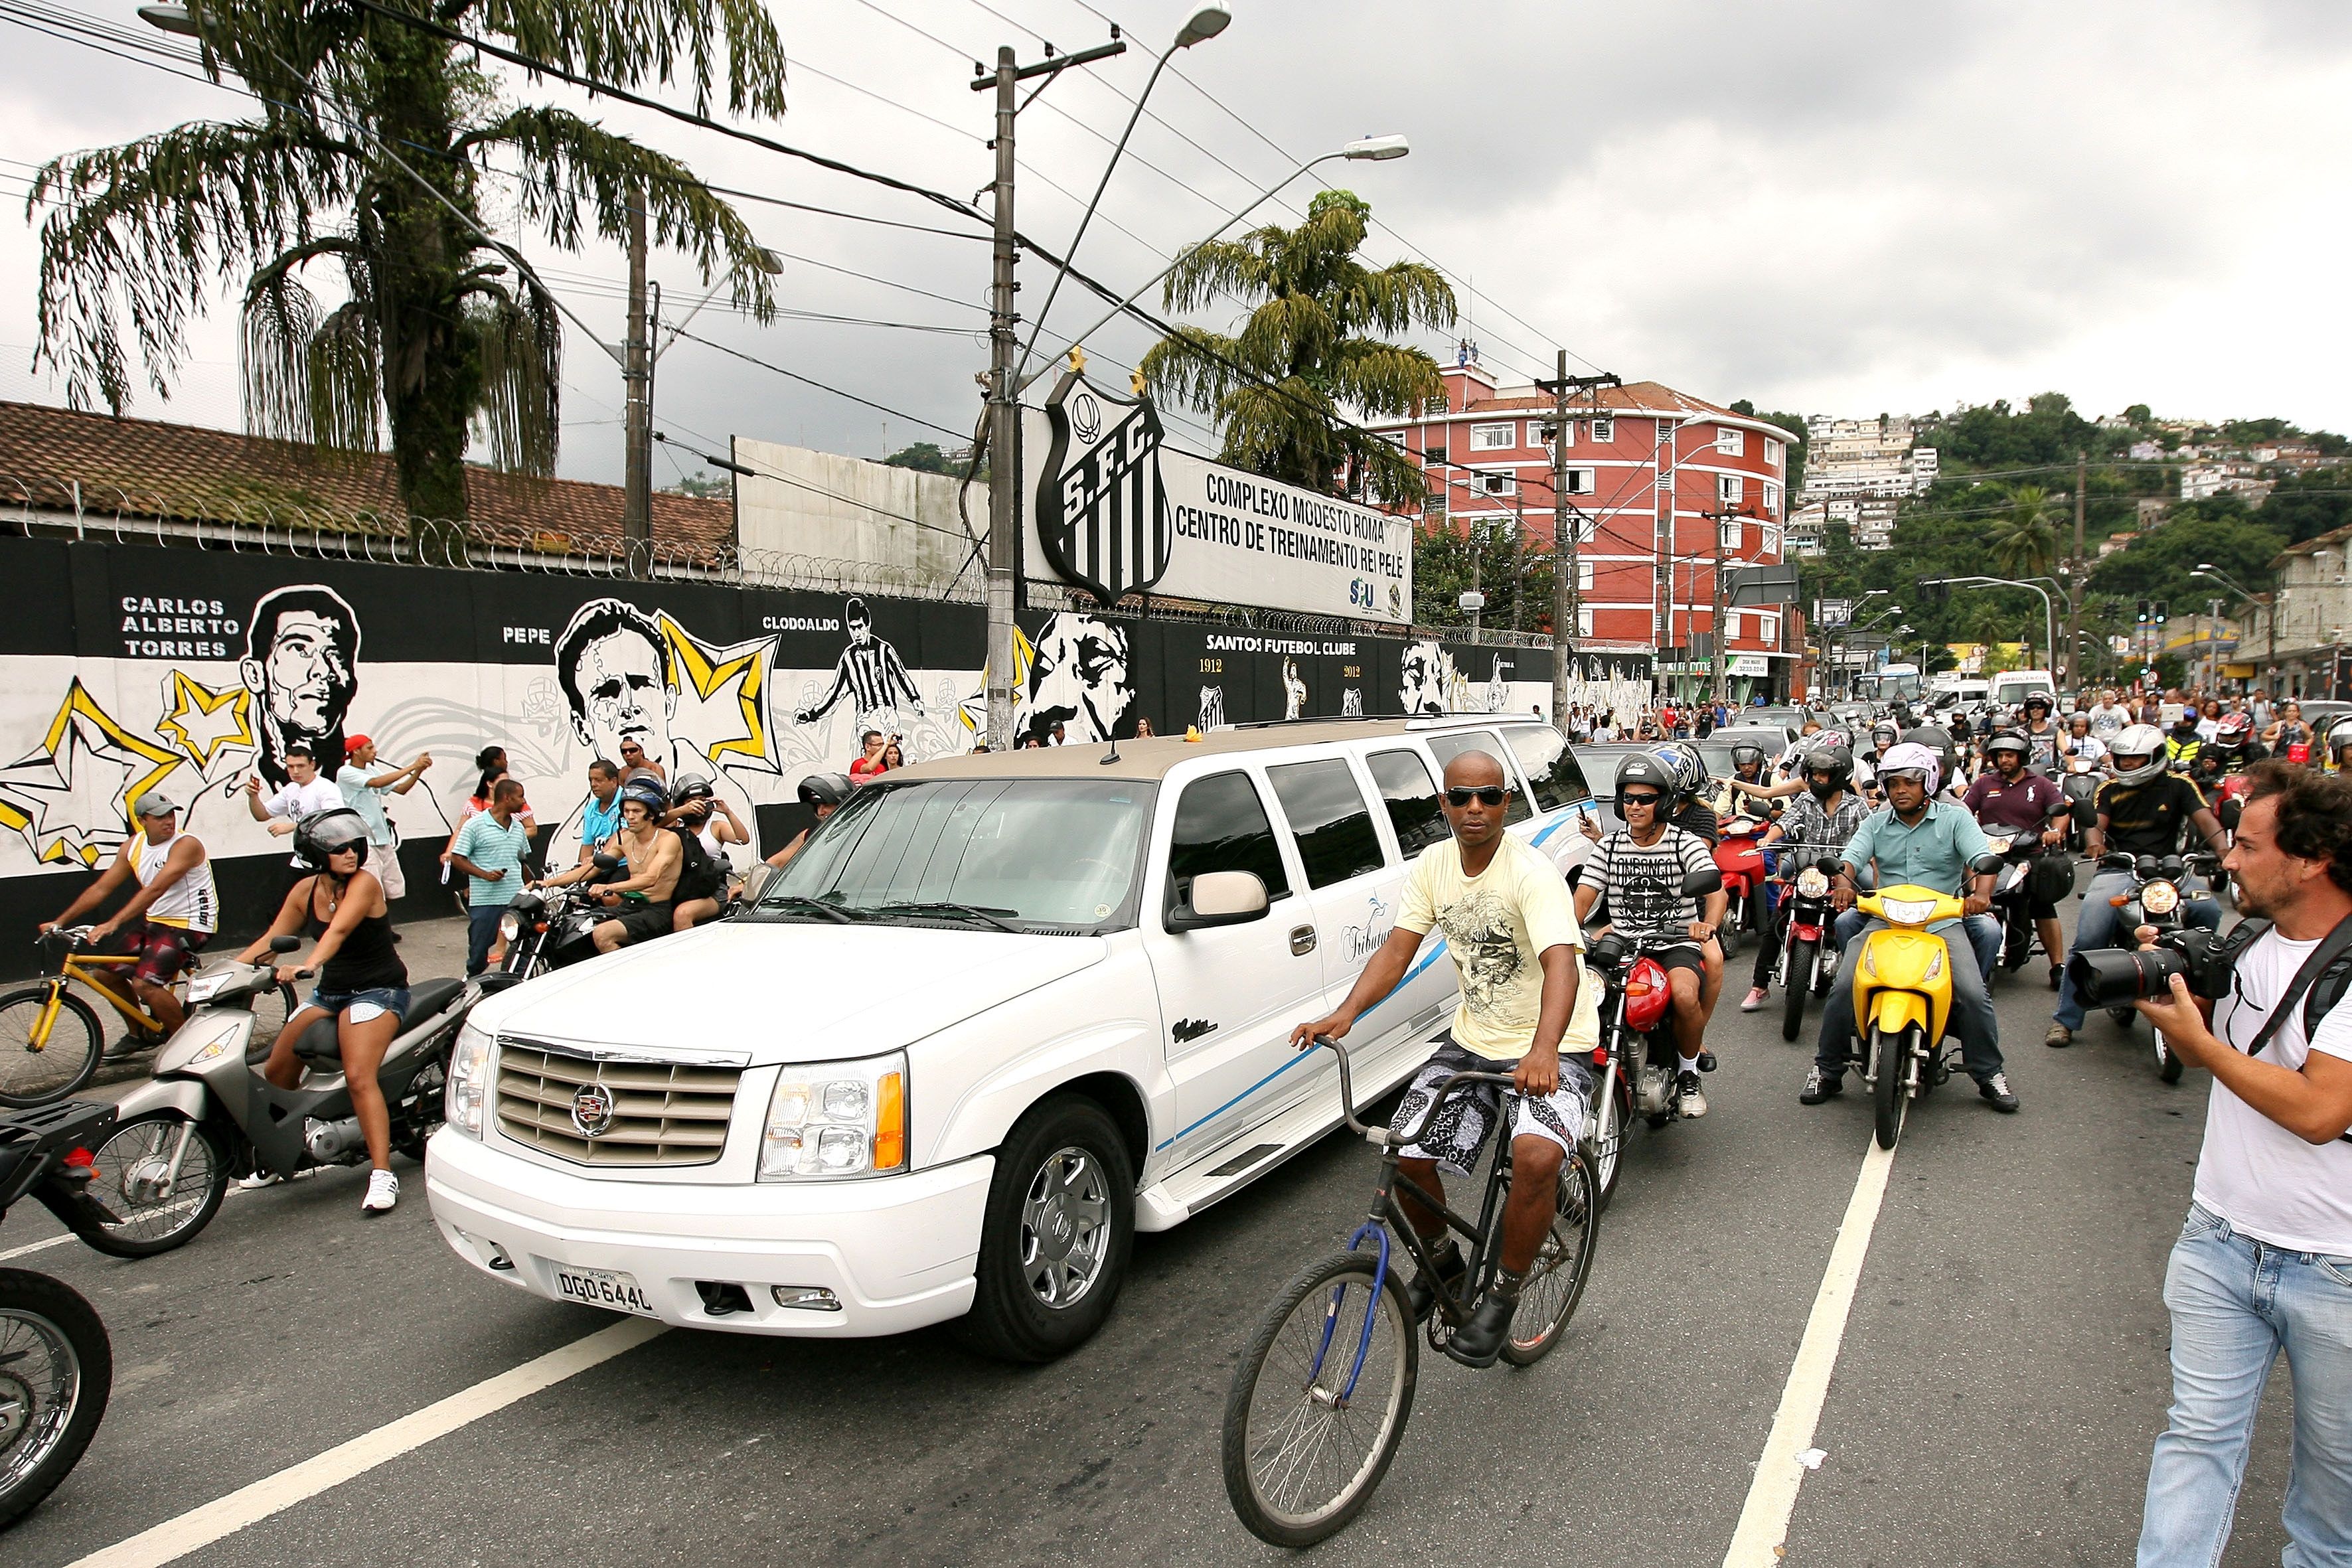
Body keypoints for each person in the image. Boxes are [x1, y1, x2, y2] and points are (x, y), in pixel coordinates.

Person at [1289, 750, 1599, 1366]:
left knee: (1535, 1155)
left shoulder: (1531, 873)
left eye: (1487, 796)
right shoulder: (1433, 864)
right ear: (1444, 805)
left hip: (1554, 1046)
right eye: (1461, 797)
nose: (1474, 808)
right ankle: (1446, 1265)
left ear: (1505, 802)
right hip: (1472, 1044)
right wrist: (1345, 1013)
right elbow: (1397, 949)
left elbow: (1561, 962)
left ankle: (1503, 1297)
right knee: (1403, 1152)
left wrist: (1543, 1051)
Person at [2129, 762, 2352, 1566]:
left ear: (2313, 855)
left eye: (2249, 846)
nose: (2228, 859)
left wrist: (2202, 1044)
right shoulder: (2251, 938)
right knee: (2195, 1441)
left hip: (2336, 1266)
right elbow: (2205, 1058)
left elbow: (2322, 1110)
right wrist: (2173, 993)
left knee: (2334, 1493)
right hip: (2219, 1238)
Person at [1800, 742, 2015, 1111]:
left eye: (1909, 782)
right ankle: (1827, 1070)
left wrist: (1980, 894)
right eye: (1892, 782)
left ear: (1928, 783)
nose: (1900, 789)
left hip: (1941, 921)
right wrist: (1841, 887)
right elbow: (1850, 859)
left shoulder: (1955, 819)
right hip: (1885, 919)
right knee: (1844, 988)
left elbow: (1982, 859)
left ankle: (1989, 1073)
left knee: (1972, 993)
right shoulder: (1875, 821)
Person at [239, 807, 409, 1214]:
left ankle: (383, 1174)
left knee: (358, 1076)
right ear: (318, 855)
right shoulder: (304, 891)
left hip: (378, 992)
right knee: (277, 1070)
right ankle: (288, 1150)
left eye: (356, 846)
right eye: (340, 848)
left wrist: (309, 964)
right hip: (330, 995)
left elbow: (339, 931)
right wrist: (226, 974)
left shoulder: (366, 884)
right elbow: (271, 938)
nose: (352, 854)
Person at [2047, 724, 2228, 1048]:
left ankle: (2206, 1007)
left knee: (2207, 912)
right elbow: (2095, 826)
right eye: (2122, 758)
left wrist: (2225, 852)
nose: (2127, 764)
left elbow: (2206, 820)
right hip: (2120, 868)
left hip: (2170, 870)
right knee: (2090, 935)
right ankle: (2066, 1020)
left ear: (2157, 757)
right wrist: (2095, 845)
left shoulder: (2180, 785)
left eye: (2135, 759)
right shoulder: (2109, 789)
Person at [1574, 750, 1725, 1117]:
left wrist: (1707, 926)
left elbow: (1715, 892)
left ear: (1666, 801)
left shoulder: (1684, 843)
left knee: (1685, 994)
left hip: (1675, 942)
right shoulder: (1608, 847)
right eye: (1628, 798)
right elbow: (1581, 899)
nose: (1634, 807)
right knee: (1584, 998)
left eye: (1645, 799)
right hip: (1622, 944)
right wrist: (1562, 929)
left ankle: (1689, 1074)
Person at [40, 789, 216, 1043]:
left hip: (191, 924)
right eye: (159, 817)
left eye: (171, 815)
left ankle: (188, 1047)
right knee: (105, 974)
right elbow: (102, 888)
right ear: (142, 820)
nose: (169, 821)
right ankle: (139, 1033)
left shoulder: (186, 845)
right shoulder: (132, 847)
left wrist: (113, 923)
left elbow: (156, 888)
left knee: (145, 984)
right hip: (157, 921)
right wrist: (60, 921)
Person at [1742, 744, 1871, 1011]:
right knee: (1780, 915)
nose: (1818, 779)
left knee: (1870, 907)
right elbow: (1785, 822)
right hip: (1808, 869)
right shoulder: (1806, 800)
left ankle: (1864, 982)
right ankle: (1759, 985)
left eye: (1824, 774)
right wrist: (1767, 839)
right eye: (1815, 774)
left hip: (1846, 870)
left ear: (1840, 776)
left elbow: (1871, 838)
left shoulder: (1857, 806)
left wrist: (1874, 864)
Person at [1962, 730, 2071, 989]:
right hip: (1988, 853)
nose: (2004, 761)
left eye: (2010, 755)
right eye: (2000, 756)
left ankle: (2058, 965)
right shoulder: (1983, 784)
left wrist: (2054, 832)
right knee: (1963, 896)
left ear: (2021, 757)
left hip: (2027, 853)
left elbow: (2061, 812)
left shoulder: (2041, 784)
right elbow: (1964, 811)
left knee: (2042, 905)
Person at [240, 584, 362, 791]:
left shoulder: (375, 786)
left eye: (336, 655)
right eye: (299, 649)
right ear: (255, 675)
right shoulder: (220, 796)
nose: (323, 671)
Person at [535, 777, 680, 951]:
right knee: (574, 926)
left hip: (655, 910)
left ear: (651, 814)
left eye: (636, 811)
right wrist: (548, 883)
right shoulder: (625, 838)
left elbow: (650, 878)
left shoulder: (668, 839)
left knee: (603, 934)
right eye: (626, 811)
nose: (630, 816)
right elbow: (593, 868)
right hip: (628, 906)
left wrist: (609, 887)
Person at [448, 777, 530, 977]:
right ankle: (473, 979)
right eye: (520, 797)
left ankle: (517, 980)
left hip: (515, 899)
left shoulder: (518, 827)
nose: (524, 802)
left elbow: (522, 860)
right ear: (506, 798)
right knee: (479, 948)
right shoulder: (475, 826)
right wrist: (485, 875)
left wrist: (532, 886)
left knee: (523, 945)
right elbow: (457, 859)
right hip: (486, 900)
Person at [336, 735, 429, 900]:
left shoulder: (371, 769)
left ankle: (385, 924)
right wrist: (412, 766)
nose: (375, 751)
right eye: (369, 748)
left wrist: (418, 771)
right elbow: (377, 783)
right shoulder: (345, 772)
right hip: (363, 839)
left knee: (393, 889)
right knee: (373, 890)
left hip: (382, 838)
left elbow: (401, 789)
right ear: (356, 751)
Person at [245, 743, 344, 895]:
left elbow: (332, 818)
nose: (295, 771)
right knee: (285, 906)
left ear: (312, 765)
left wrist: (293, 826)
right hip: (301, 860)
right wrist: (253, 796)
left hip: (324, 861)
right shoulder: (291, 789)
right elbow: (262, 814)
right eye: (290, 767)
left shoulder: (325, 788)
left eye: (300, 766)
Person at [663, 773, 748, 929]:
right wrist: (681, 811)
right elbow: (655, 823)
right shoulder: (676, 826)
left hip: (712, 887)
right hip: (681, 886)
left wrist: (727, 812)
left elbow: (743, 839)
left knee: (683, 914)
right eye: (691, 802)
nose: (697, 806)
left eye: (702, 801)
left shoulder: (716, 827)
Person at [767, 772, 852, 870]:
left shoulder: (863, 831)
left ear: (844, 803)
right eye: (817, 806)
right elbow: (776, 862)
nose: (821, 812)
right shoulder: (810, 835)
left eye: (826, 805)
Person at [576, 759, 621, 865]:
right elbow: (587, 845)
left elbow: (623, 834)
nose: (593, 785)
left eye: (598, 780)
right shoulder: (590, 809)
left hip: (622, 864)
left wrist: (599, 857)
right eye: (591, 780)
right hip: (598, 866)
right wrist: (581, 870)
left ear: (613, 782)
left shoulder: (627, 803)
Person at [2019, 693, 2063, 772]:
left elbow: (2066, 751)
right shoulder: (2020, 731)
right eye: (2032, 708)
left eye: (2040, 707)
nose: (2035, 710)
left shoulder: (2056, 731)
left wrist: (2071, 763)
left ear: (2047, 710)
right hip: (2024, 774)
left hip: (2050, 774)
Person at [2265, 700, 2315, 764]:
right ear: (2285, 713)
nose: (2292, 713)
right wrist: (2273, 737)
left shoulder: (2303, 725)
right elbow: (2264, 735)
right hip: (2279, 756)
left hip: (2297, 756)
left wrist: (2306, 746)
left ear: (2298, 713)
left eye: (2294, 711)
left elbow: (2310, 738)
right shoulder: (2279, 724)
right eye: (2289, 711)